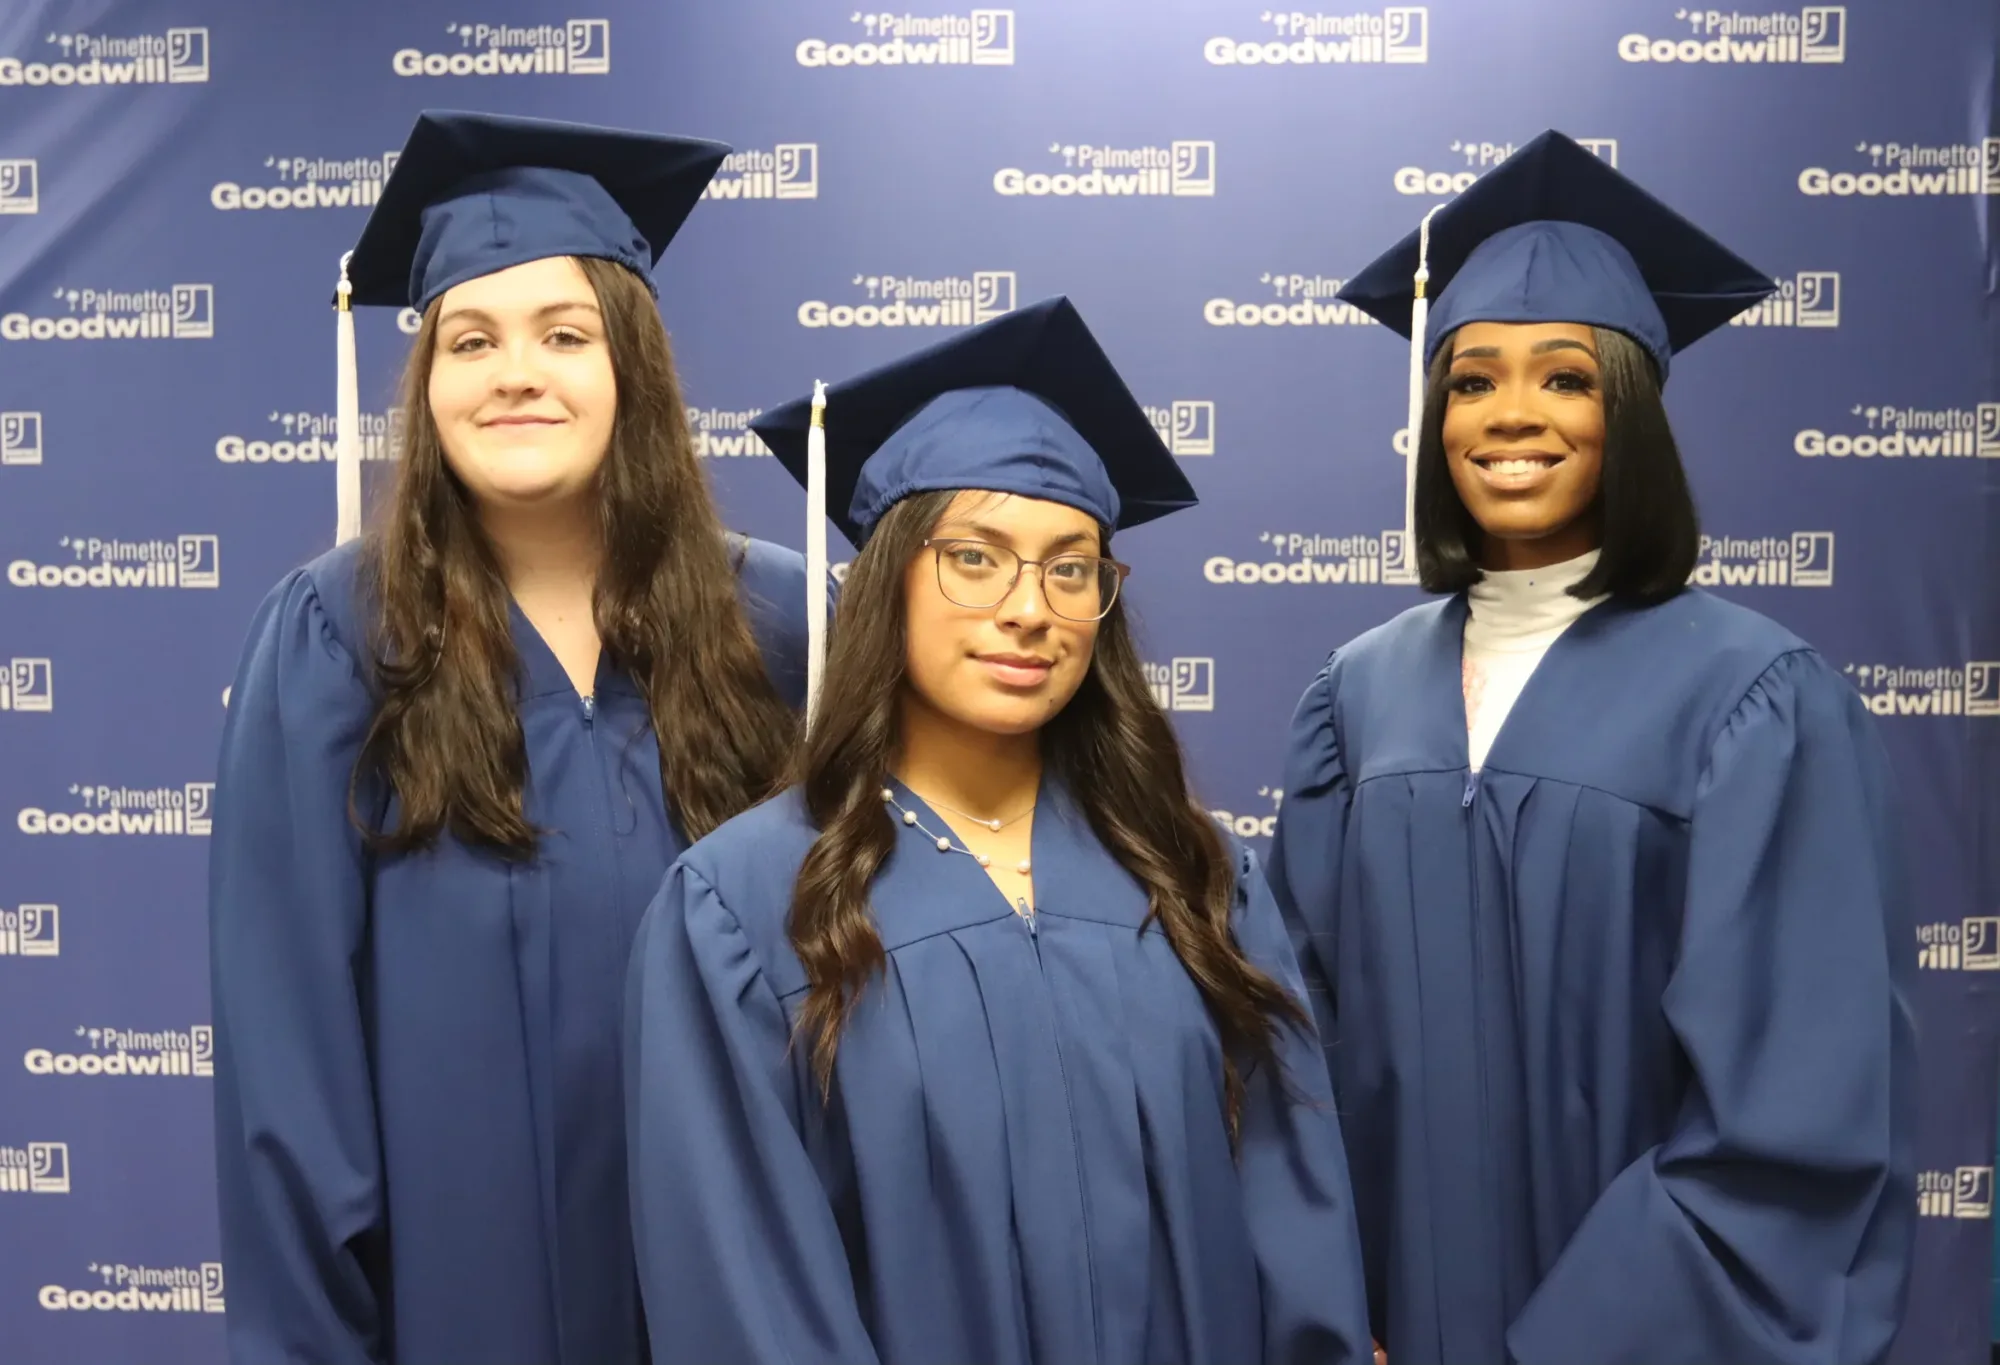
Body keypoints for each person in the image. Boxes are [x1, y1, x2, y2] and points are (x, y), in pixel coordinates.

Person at [623, 296, 1374, 1365]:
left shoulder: (1195, 878)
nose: (1030, 608)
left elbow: (1296, 1241)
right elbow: (747, 1298)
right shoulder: (740, 911)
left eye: (1069, 567)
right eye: (973, 556)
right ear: (885, 583)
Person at [1270, 130, 1917, 1365]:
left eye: (1563, 377)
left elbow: (1792, 1115)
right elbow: (1298, 1048)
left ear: (1628, 408)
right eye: (1468, 381)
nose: (1510, 413)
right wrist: (1333, 1310)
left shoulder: (1752, 697)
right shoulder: (1356, 697)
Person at [207, 110, 810, 1365]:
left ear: (630, 367)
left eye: (563, 333)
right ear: (426, 387)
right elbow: (289, 1065)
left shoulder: (782, 623)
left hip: (742, 1293)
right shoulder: (337, 638)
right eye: (468, 339)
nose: (513, 372)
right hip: (458, 1304)